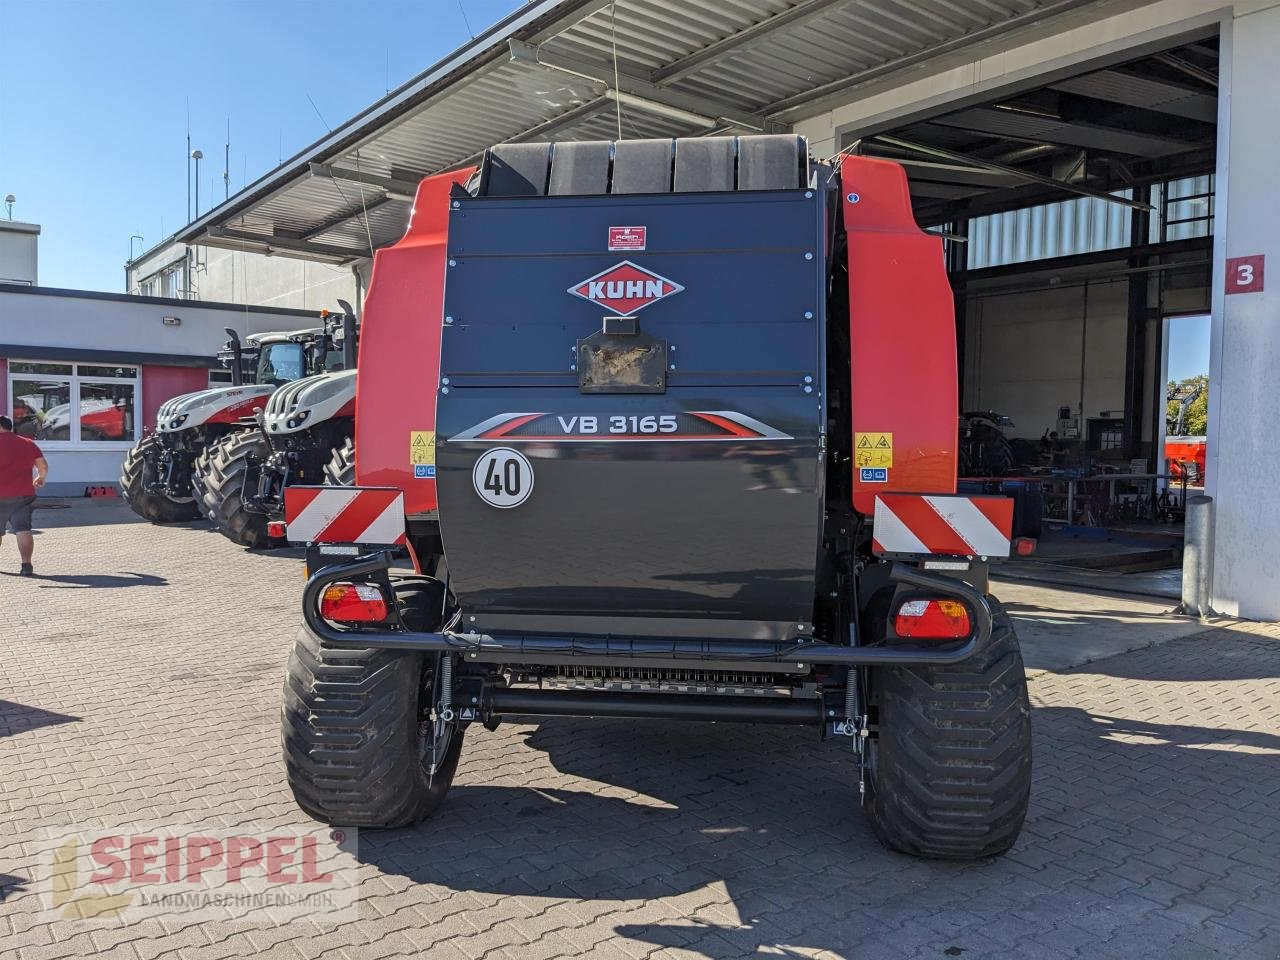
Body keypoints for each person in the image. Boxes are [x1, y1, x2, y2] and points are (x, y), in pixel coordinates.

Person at [0, 414, 48, 575]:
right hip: (22, 495)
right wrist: (40, 477)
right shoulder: (27, 443)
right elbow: (42, 464)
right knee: (23, 529)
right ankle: (26, 566)